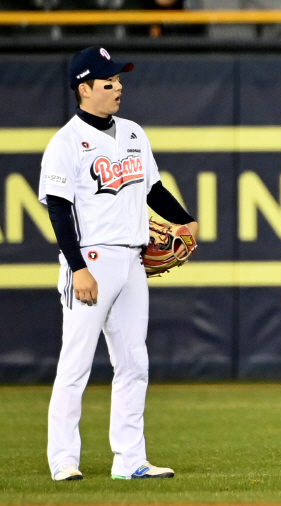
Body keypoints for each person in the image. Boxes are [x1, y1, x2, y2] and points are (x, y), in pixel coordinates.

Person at [38, 46, 198, 481]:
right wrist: (78, 268)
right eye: (109, 81)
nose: (118, 87)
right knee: (76, 365)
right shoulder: (66, 142)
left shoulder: (132, 133)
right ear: (84, 88)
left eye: (120, 80)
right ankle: (63, 460)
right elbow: (58, 210)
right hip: (90, 259)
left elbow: (153, 190)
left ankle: (129, 460)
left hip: (132, 260)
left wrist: (186, 220)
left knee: (134, 363)